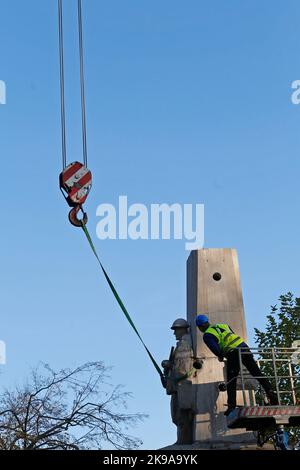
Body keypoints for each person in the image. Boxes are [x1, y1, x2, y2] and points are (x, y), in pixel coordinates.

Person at [195, 314, 279, 416]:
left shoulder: (207, 335)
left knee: (231, 379)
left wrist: (220, 355)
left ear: (200, 326)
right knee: (255, 372)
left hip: (233, 353)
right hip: (244, 348)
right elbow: (231, 335)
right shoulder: (223, 325)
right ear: (207, 322)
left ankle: (231, 406)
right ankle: (270, 392)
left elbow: (215, 349)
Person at [161, 318, 202, 444]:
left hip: (182, 387)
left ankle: (183, 440)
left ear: (183, 329)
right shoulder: (181, 345)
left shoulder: (185, 345)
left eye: (176, 330)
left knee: (182, 414)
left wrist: (170, 366)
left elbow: (183, 369)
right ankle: (181, 439)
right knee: (177, 414)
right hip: (177, 387)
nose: (174, 333)